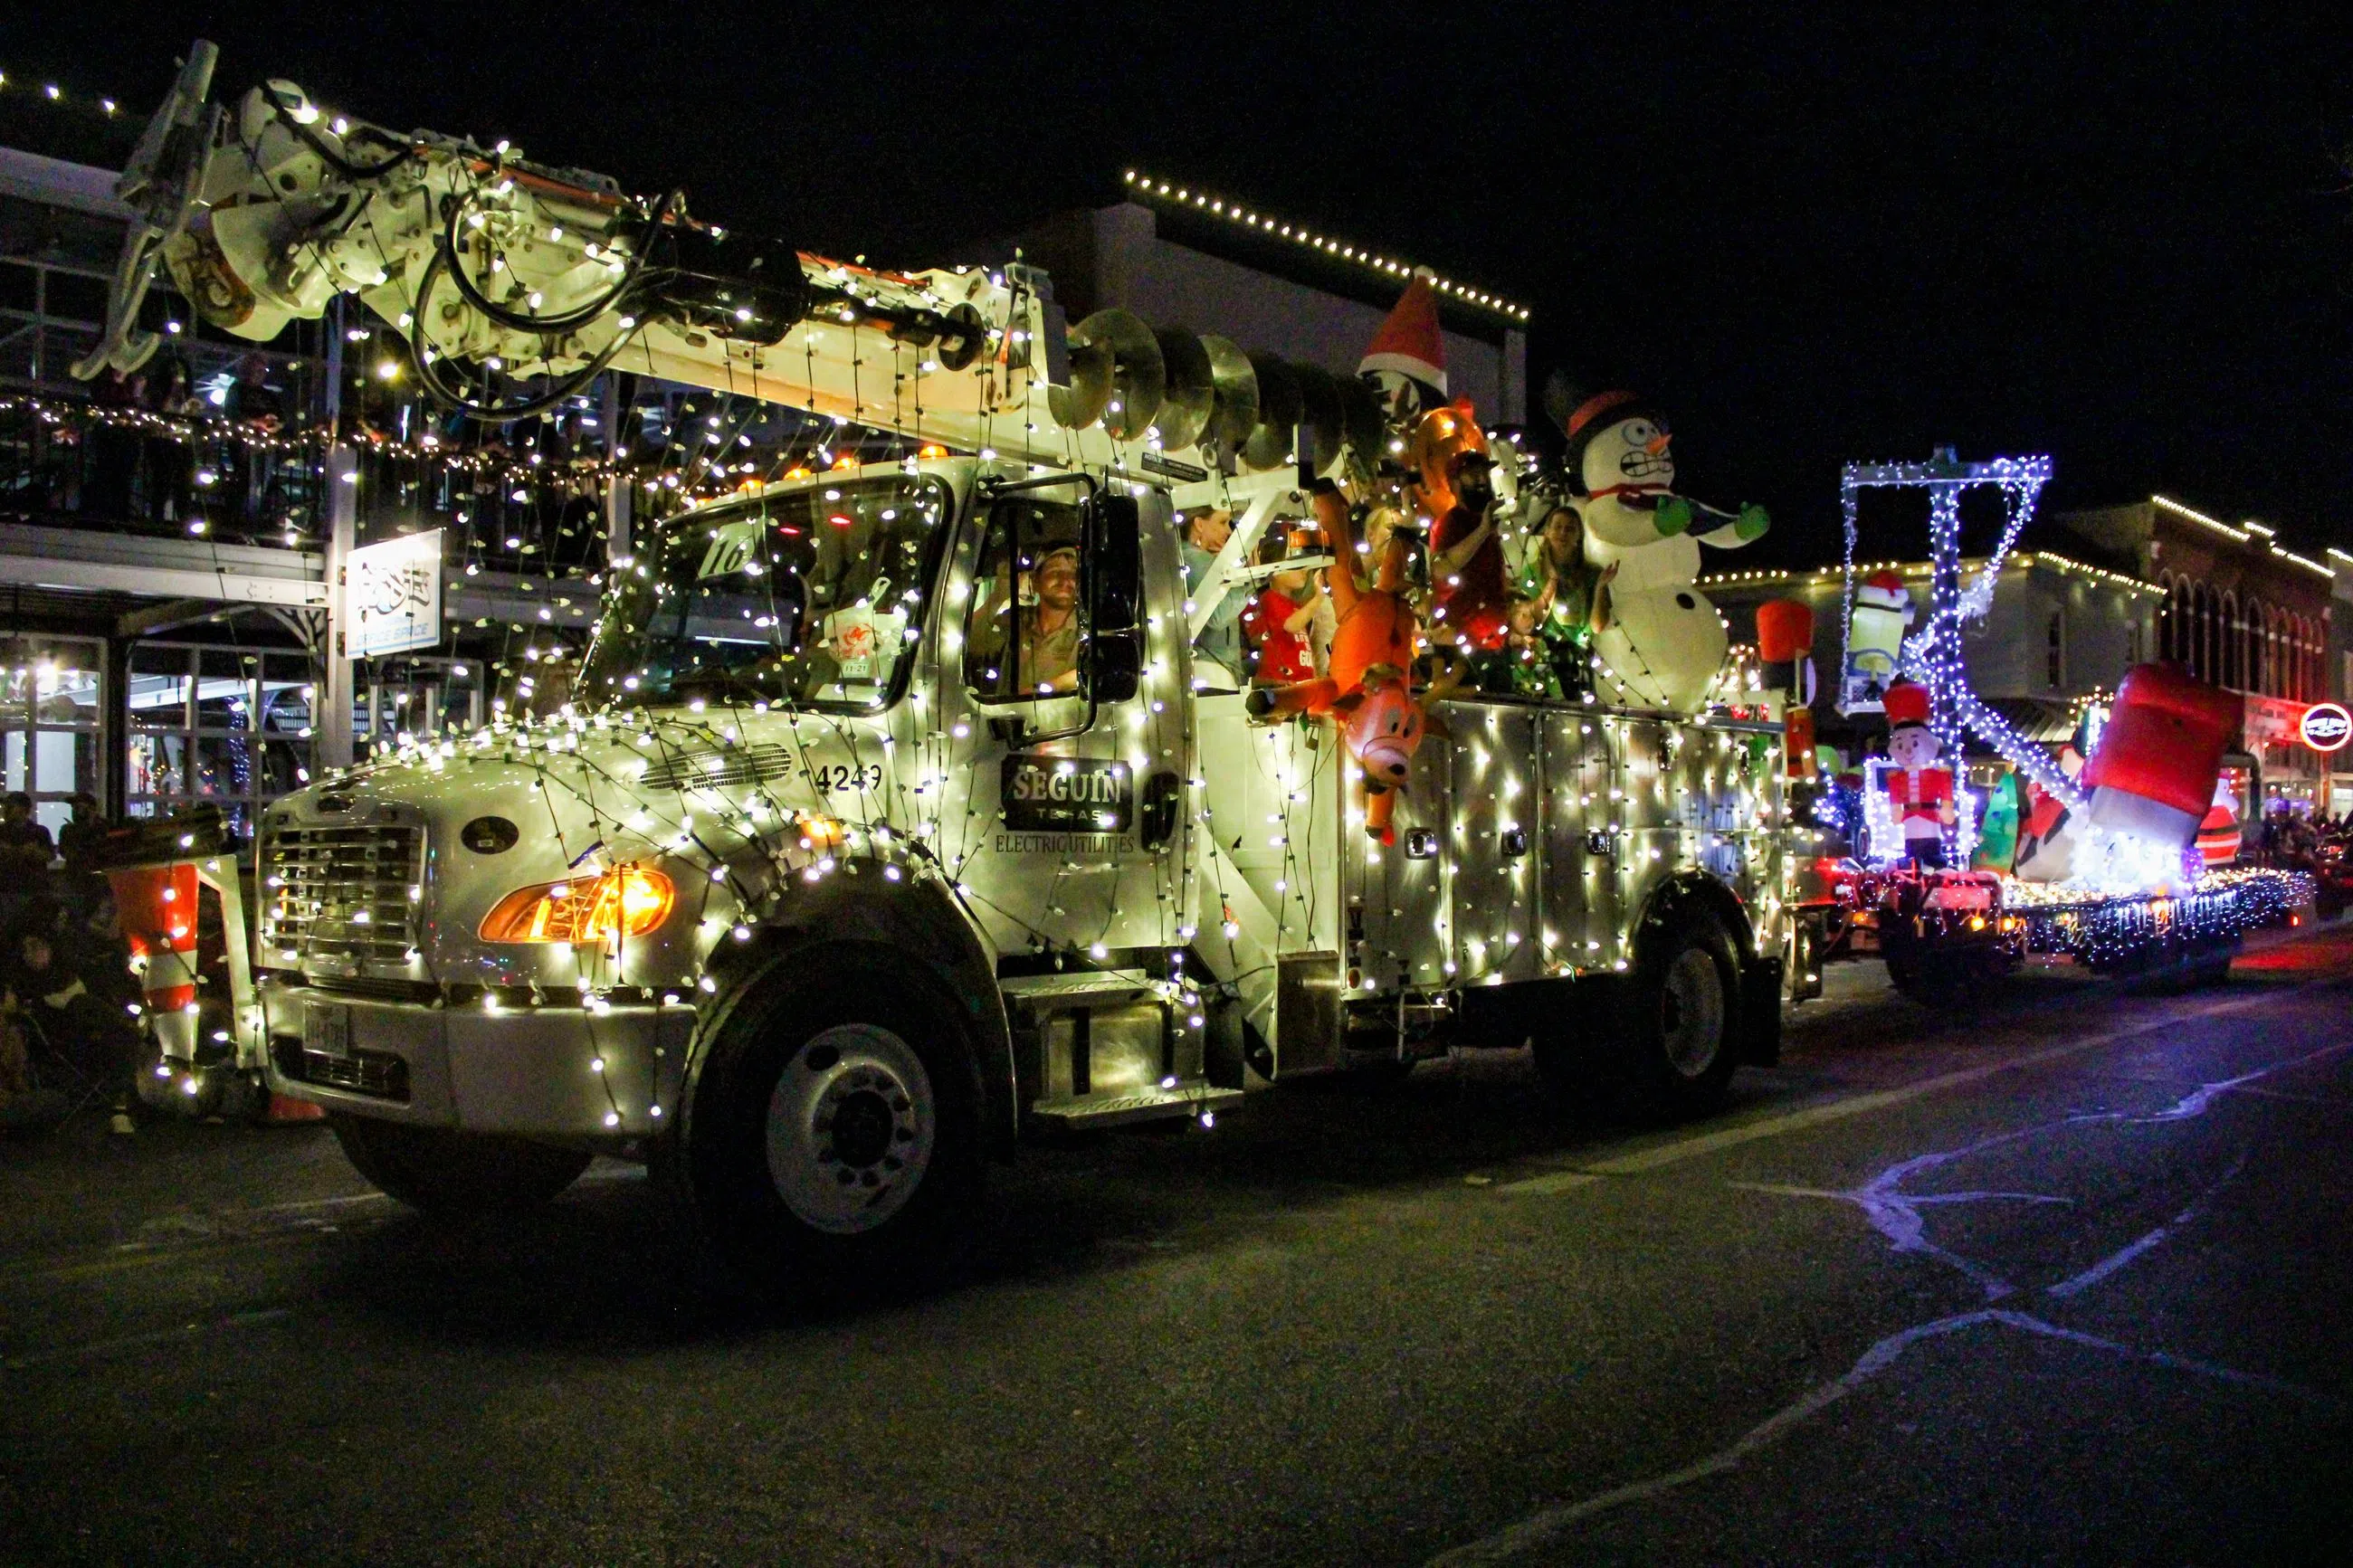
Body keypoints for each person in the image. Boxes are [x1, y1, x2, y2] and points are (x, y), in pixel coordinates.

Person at [4, 901, 138, 1135]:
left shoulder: (68, 966)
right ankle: (120, 1103)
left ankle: (121, 1103)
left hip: (93, 1029)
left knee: (117, 1034)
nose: (32, 952)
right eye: (27, 948)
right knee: (86, 1007)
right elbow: (31, 1014)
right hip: (60, 1035)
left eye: (38, 946)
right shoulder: (22, 979)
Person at [1428, 444, 1510, 652]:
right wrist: (1482, 532)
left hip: (1494, 640)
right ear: (1454, 483)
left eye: (1484, 473)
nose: (1482, 480)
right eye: (1473, 475)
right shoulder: (1449, 523)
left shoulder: (1484, 519)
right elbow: (1440, 568)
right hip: (1464, 644)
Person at [1178, 507, 1247, 686]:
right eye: (1222, 522)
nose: (1229, 530)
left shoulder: (1185, 558)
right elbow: (1218, 616)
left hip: (1205, 667)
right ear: (1199, 524)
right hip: (1213, 670)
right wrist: (1249, 582)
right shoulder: (1197, 559)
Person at [1241, 548, 1322, 687]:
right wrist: (1319, 597)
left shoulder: (1294, 606)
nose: (1303, 570)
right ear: (1276, 571)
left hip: (1299, 681)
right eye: (1295, 565)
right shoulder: (1270, 599)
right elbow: (1291, 626)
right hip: (1279, 681)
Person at [1016, 546, 1082, 694]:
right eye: (1055, 572)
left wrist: (1043, 689)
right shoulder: (1015, 620)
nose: (1066, 580)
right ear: (1035, 581)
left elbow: (1099, 669)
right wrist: (996, 598)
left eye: (1074, 575)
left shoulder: (1089, 629)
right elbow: (973, 641)